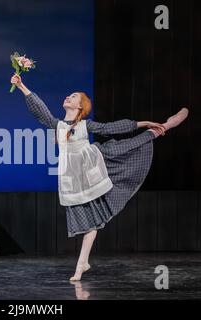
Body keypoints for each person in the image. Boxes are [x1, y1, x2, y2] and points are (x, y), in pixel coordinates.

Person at [11, 74, 189, 281]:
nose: (68, 97)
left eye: (73, 96)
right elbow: (39, 110)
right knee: (91, 222)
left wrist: (142, 123)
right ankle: (82, 264)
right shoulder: (58, 125)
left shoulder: (85, 125)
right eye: (69, 95)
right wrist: (22, 86)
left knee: (127, 147)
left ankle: (161, 128)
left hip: (98, 163)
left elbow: (112, 127)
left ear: (80, 106)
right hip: (75, 177)